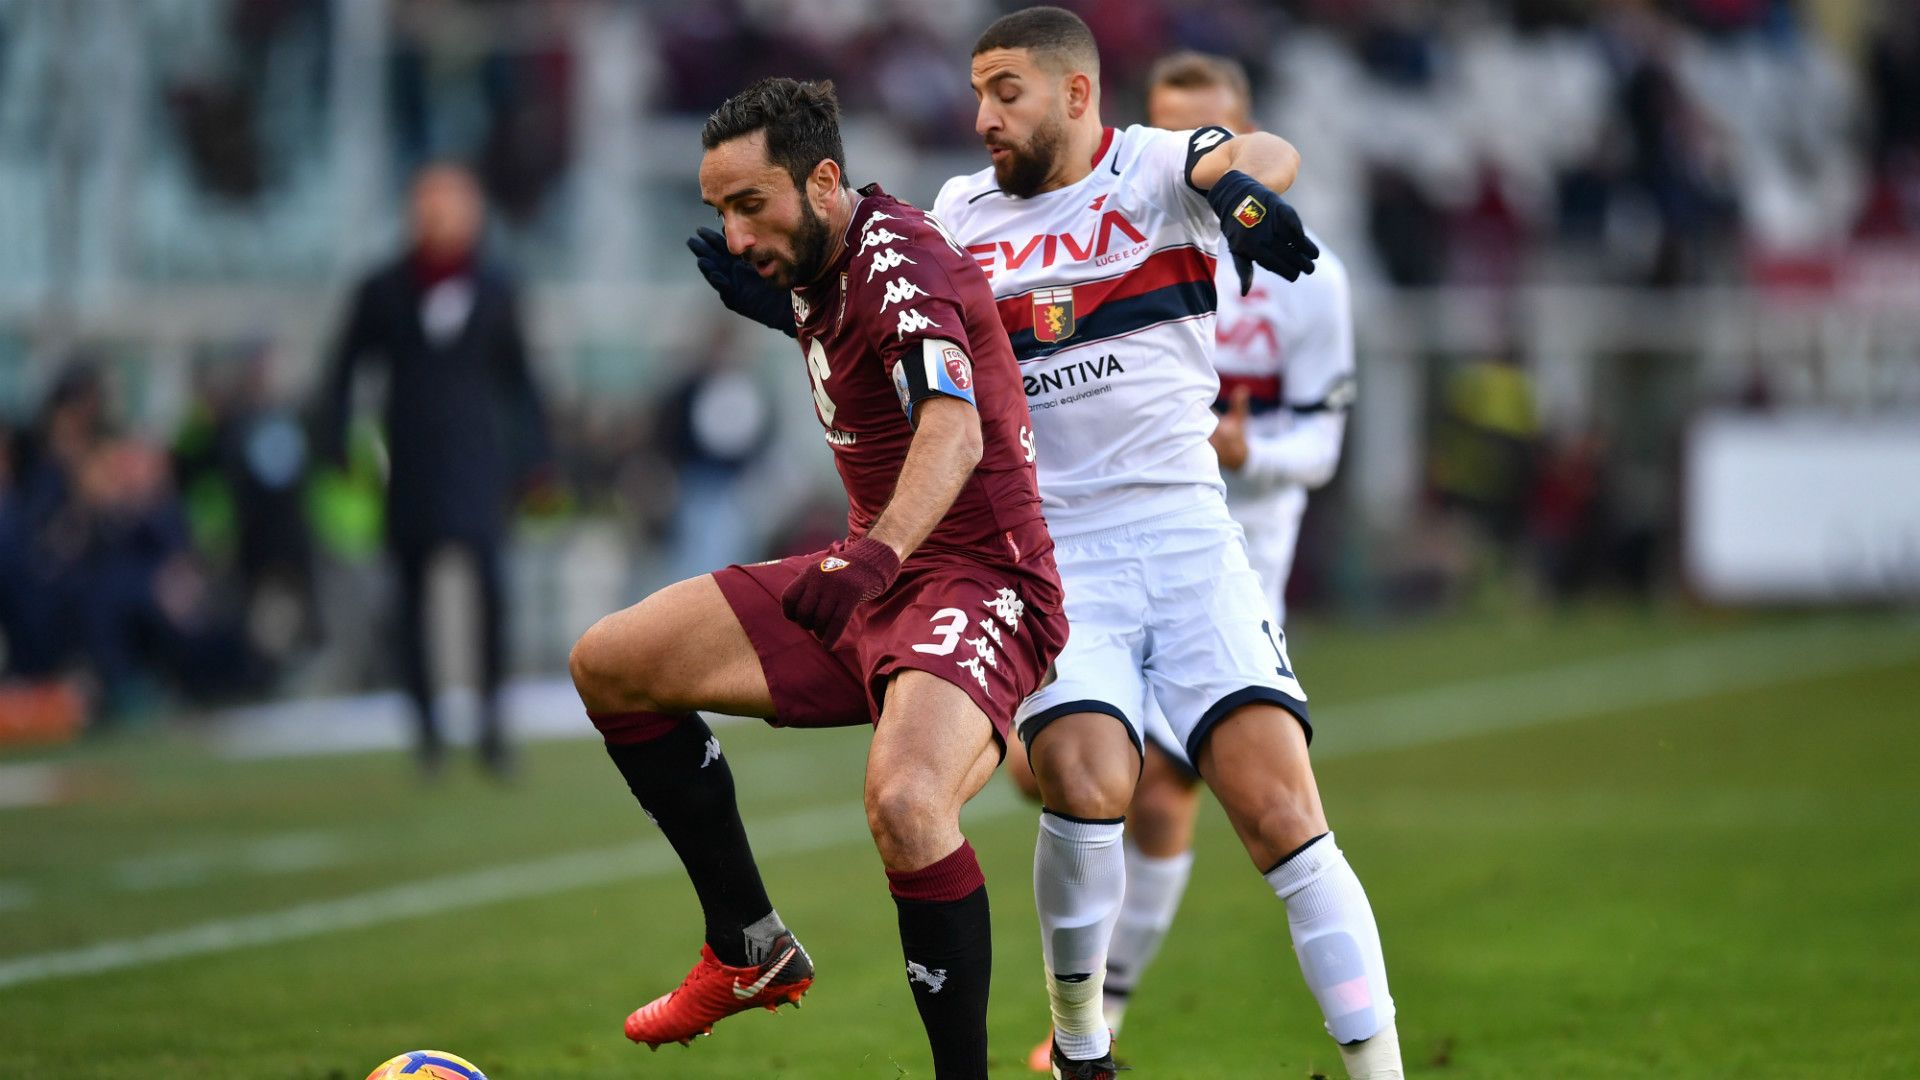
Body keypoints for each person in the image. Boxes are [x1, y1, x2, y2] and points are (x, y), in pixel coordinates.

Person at [933, 11, 1403, 1078]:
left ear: (1076, 94)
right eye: (978, 93)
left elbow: (1273, 155)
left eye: (1006, 91)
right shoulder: (960, 209)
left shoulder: (1154, 165)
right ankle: (1083, 1045)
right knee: (1085, 781)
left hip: (1193, 537)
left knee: (1281, 810)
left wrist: (1243, 190)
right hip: (1060, 554)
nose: (983, 116)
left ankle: (1381, 1071)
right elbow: (892, 298)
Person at [571, 78, 1067, 1079]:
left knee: (907, 803)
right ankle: (748, 946)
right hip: (874, 581)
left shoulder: (900, 263)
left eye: (751, 204)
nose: (735, 232)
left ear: (825, 180)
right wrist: (789, 311)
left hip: (980, 586)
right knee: (611, 663)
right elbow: (854, 344)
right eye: (718, 210)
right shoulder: (825, 262)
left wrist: (876, 555)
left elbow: (952, 426)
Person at [317, 163, 551, 777]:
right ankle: (426, 733)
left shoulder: (498, 286)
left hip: (478, 465)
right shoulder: (383, 288)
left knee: (490, 596)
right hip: (411, 464)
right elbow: (343, 372)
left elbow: (522, 383)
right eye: (429, 205)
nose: (439, 218)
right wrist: (338, 444)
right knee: (410, 598)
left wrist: (537, 460)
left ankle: (493, 727)